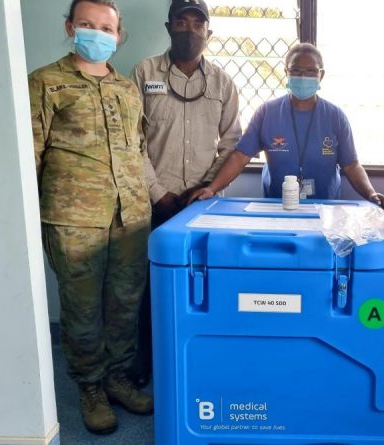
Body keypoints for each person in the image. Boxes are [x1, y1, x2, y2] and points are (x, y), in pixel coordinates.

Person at [29, 0, 153, 435]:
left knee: (124, 304)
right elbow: (31, 157)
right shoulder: (46, 83)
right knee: (82, 310)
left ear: (118, 36)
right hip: (73, 218)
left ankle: (118, 378)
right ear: (69, 27)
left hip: (131, 216)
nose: (96, 34)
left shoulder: (127, 89)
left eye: (106, 27)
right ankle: (90, 387)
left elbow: (137, 150)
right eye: (87, 25)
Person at [129, 0, 241, 388]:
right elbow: (133, 141)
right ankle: (144, 362)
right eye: (182, 21)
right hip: (152, 201)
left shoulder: (223, 83)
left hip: (201, 205)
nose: (189, 30)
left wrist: (204, 188)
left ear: (208, 32)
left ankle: (195, 360)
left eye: (198, 23)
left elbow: (231, 144)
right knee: (147, 287)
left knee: (200, 284)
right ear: (168, 26)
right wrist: (157, 191)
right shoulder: (144, 73)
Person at [187, 43, 384, 211]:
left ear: (321, 75)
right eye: (296, 70)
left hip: (325, 210)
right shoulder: (267, 112)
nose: (303, 76)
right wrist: (212, 188)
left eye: (310, 71)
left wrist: (370, 193)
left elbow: (351, 165)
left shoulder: (335, 117)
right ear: (286, 73)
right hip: (276, 207)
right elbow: (240, 156)